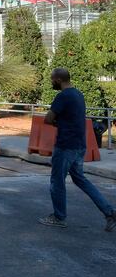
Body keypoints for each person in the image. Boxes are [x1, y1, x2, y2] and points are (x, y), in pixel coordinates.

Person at [39, 68, 116, 231]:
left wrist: (57, 122)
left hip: (65, 145)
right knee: (80, 179)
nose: (51, 82)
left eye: (52, 79)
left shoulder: (62, 96)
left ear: (58, 80)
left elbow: (48, 118)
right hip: (79, 145)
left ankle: (59, 217)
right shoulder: (78, 94)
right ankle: (109, 212)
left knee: (57, 181)